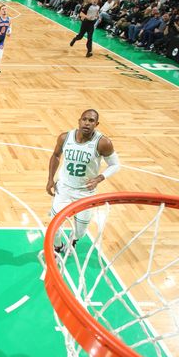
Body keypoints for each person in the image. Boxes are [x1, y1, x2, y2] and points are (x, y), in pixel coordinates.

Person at [46, 109, 120, 254]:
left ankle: (73, 240)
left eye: (91, 121)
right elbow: (55, 156)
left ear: (96, 124)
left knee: (80, 232)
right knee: (54, 227)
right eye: (85, 119)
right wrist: (50, 180)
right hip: (64, 189)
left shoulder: (103, 143)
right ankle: (57, 247)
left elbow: (116, 164)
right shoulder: (65, 137)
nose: (87, 123)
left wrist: (99, 178)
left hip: (86, 193)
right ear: (79, 121)